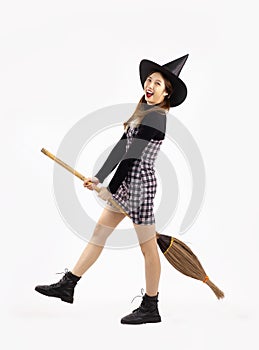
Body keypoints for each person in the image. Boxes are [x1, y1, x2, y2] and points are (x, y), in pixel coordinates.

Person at [35, 54, 189, 325]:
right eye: (149, 80)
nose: (150, 85)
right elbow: (121, 148)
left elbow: (132, 159)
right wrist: (98, 177)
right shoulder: (143, 112)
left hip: (139, 188)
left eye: (158, 83)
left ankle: (151, 306)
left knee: (147, 248)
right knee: (99, 232)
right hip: (126, 183)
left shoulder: (157, 118)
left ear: (167, 93)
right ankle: (68, 285)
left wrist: (110, 189)